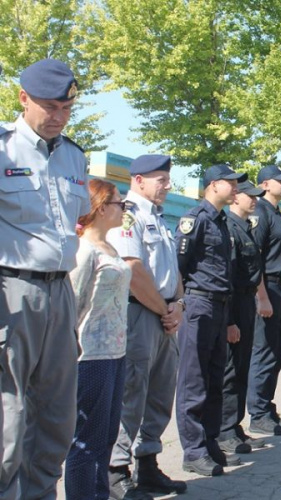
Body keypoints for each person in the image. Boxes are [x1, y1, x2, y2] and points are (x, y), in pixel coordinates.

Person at [0, 58, 89, 499]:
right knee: (9, 418)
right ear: (23, 98)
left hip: (60, 292)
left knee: (58, 416)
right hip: (12, 290)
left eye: (65, 109)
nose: (57, 117)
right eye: (49, 107)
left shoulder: (74, 155)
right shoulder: (3, 148)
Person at [107, 154, 186, 499]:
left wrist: (179, 305)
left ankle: (148, 463)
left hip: (165, 316)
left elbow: (173, 270)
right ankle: (116, 472)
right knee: (131, 395)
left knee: (159, 394)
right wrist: (163, 310)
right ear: (138, 180)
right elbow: (133, 269)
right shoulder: (128, 215)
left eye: (168, 180)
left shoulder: (161, 219)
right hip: (140, 315)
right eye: (161, 180)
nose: (167, 186)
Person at [175, 164, 247, 476]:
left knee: (216, 379)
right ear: (214, 185)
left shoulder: (222, 222)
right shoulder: (196, 219)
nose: (236, 188)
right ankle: (193, 451)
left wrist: (229, 319)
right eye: (231, 183)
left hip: (220, 306)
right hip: (198, 303)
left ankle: (210, 442)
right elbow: (179, 265)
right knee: (194, 381)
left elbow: (226, 274)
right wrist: (179, 305)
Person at [65, 180, 132, 500]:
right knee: (86, 441)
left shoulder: (110, 246)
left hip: (115, 353)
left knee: (106, 436)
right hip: (89, 356)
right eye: (120, 204)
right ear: (102, 207)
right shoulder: (84, 251)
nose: (124, 209)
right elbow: (71, 308)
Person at [247, 165, 281, 435]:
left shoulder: (278, 215)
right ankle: (258, 413)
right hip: (266, 290)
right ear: (265, 184)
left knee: (277, 354)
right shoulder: (260, 212)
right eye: (280, 181)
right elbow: (256, 259)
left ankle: (267, 406)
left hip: (280, 290)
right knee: (264, 353)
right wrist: (262, 296)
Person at [219, 180, 268, 454]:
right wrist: (228, 320)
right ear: (236, 198)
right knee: (230, 370)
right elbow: (226, 276)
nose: (255, 200)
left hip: (247, 300)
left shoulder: (246, 228)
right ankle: (224, 431)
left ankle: (235, 426)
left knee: (242, 367)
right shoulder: (229, 227)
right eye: (251, 196)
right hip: (234, 302)